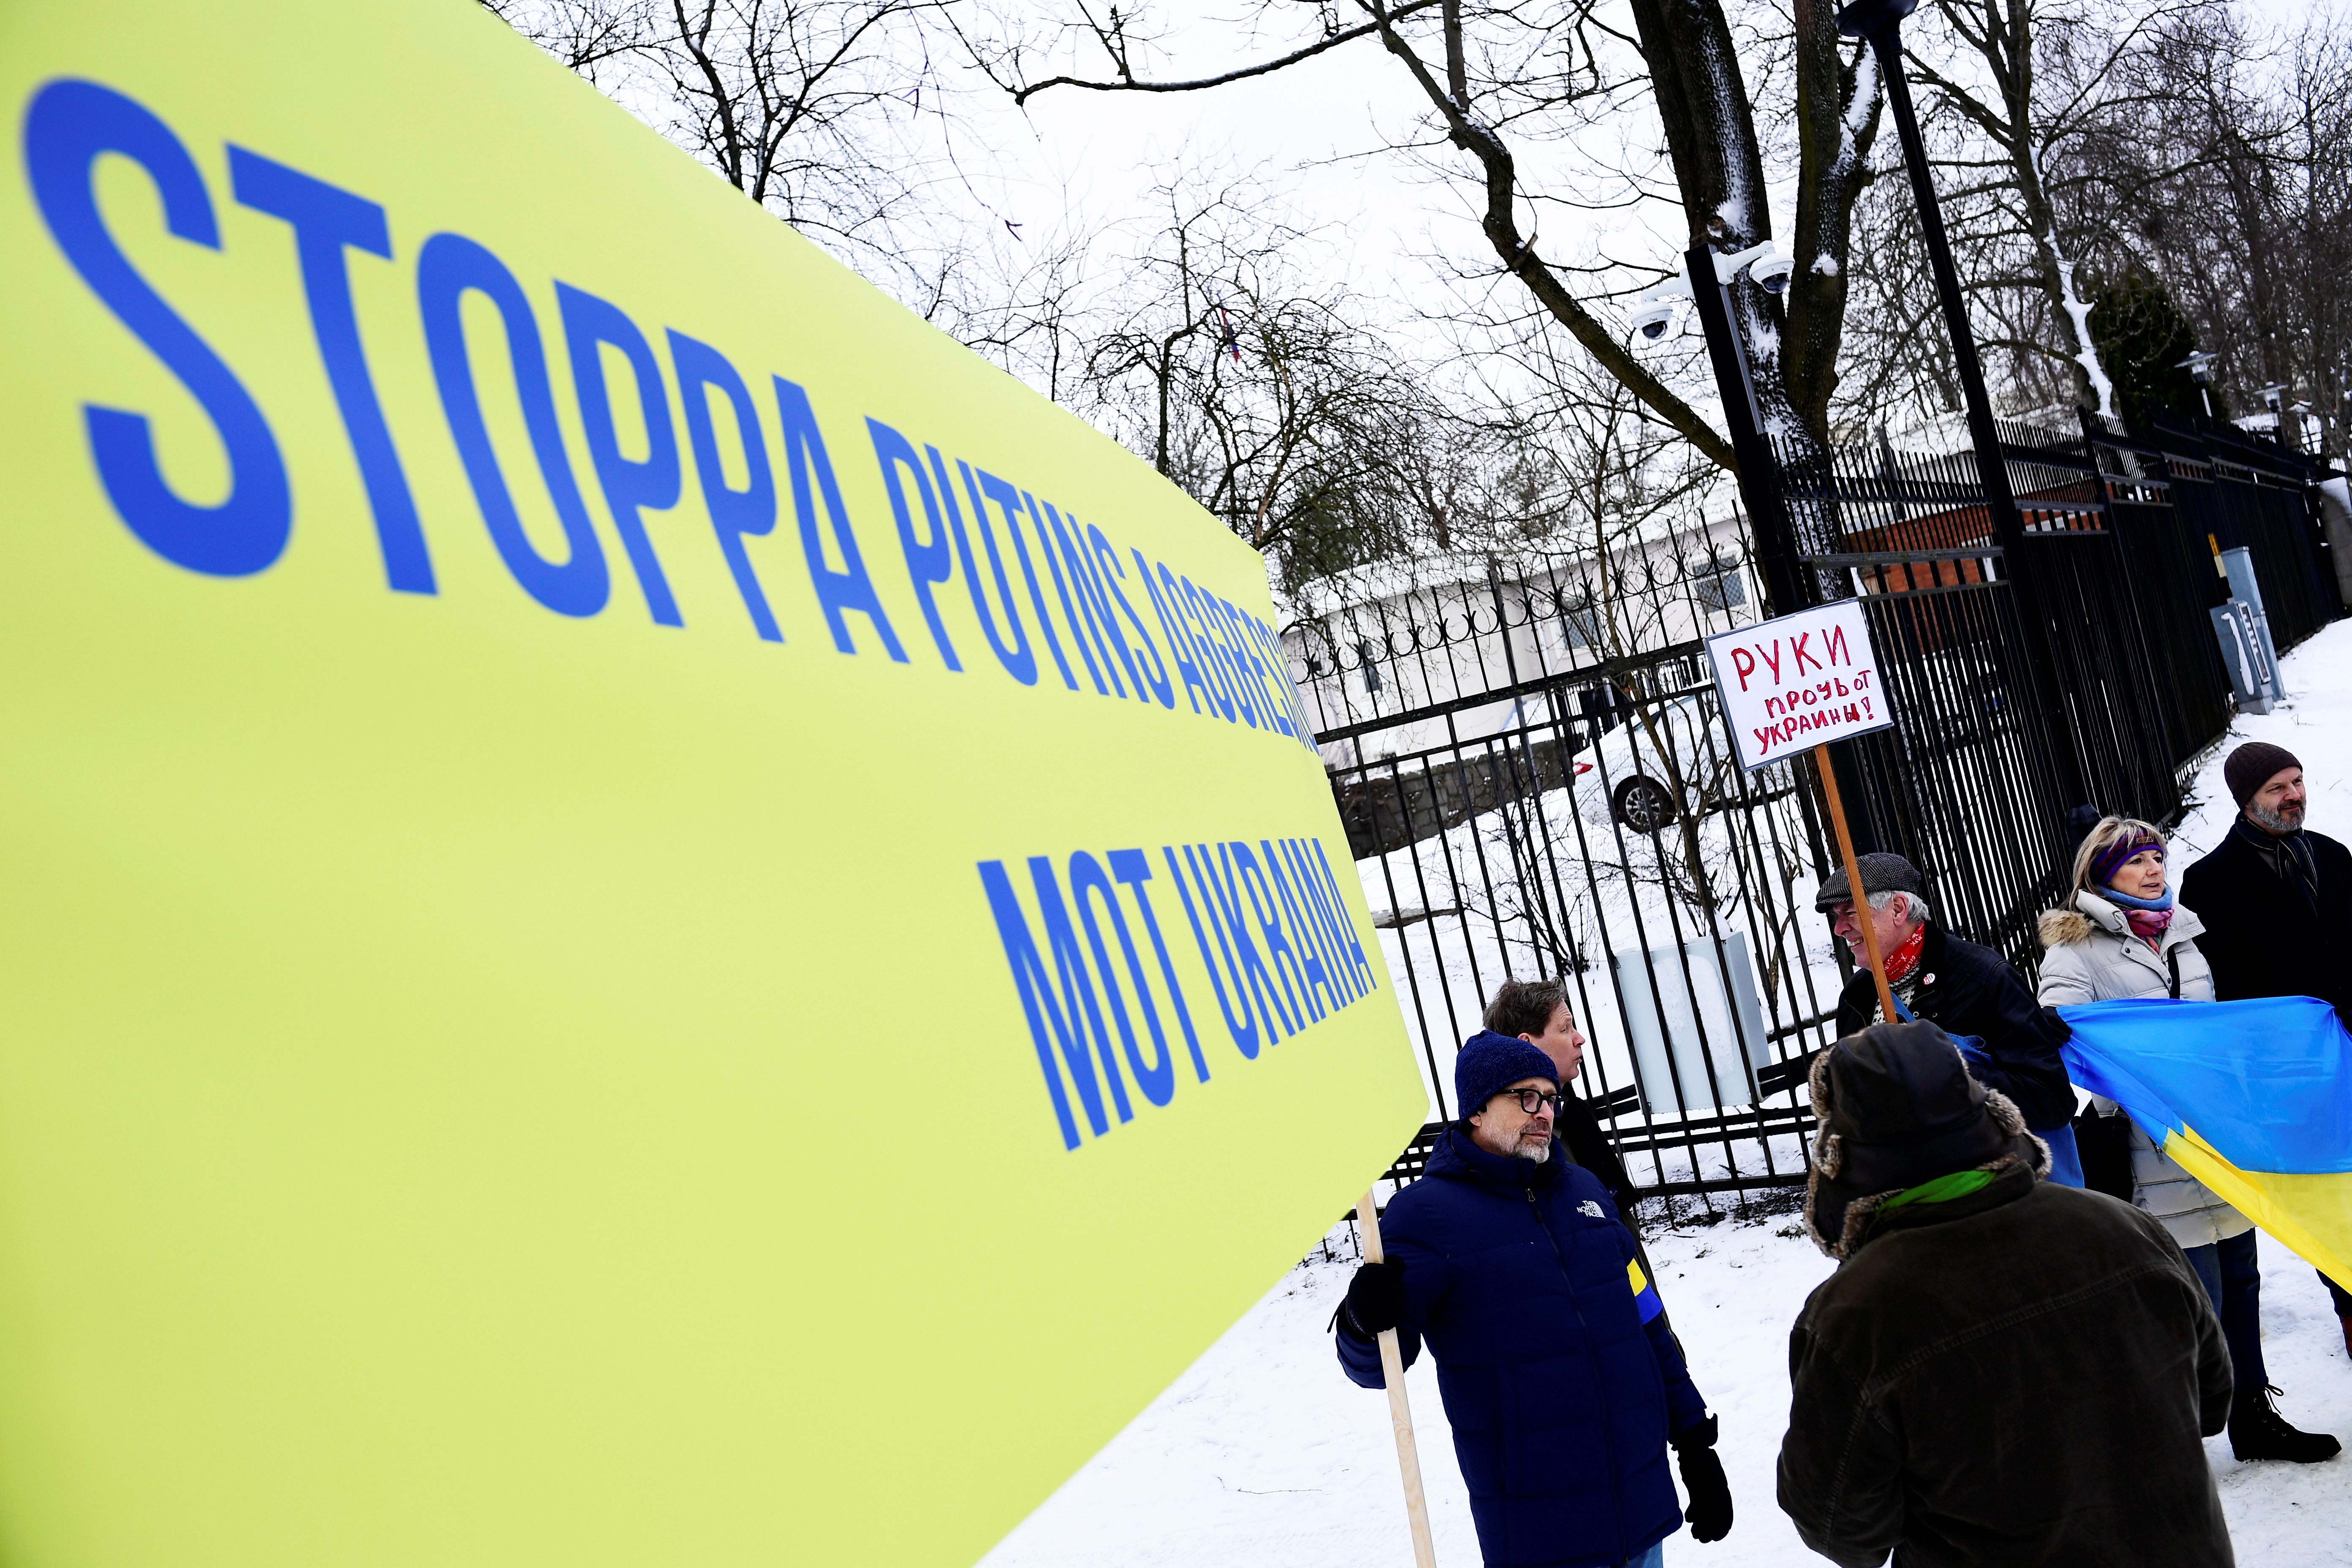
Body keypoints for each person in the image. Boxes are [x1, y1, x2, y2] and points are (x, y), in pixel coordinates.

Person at [1778, 1022, 2234, 1567]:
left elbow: (1843, 1529)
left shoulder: (1852, 1317)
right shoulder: (2126, 1229)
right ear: (1988, 1117)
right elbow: (2209, 1402)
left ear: (1840, 1159)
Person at [1336, 1032, 1732, 1567]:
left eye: (1550, 1097)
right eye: (1526, 1096)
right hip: (1540, 1524)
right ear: (1477, 1109)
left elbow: (1646, 1323)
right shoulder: (1426, 1215)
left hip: (1638, 1502)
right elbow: (1380, 1362)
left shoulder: (1587, 1193)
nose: (1544, 1111)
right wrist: (1363, 1321)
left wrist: (1692, 1439)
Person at [2039, 815, 2339, 1463]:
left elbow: (2211, 1030)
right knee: (2187, 1296)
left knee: (2243, 1276)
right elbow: (2063, 1030)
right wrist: (2065, 1030)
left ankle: (2254, 1415)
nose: (2154, 870)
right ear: (2100, 872)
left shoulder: (2183, 932)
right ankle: (2172, 1430)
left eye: (2157, 857)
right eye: (2135, 861)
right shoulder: (2075, 948)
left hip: (2216, 1136)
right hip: (2150, 1144)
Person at [2180, 741, 2352, 1351]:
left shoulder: (2331, 856)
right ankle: (2350, 1307)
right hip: (2288, 1070)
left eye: (2298, 782)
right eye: (2279, 787)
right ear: (2246, 798)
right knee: (2328, 1196)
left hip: (2349, 1050)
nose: (2295, 795)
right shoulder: (2210, 882)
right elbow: (2220, 986)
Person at [1818, 853, 2079, 1183]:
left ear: (1898, 909)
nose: (1840, 928)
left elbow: (2052, 1100)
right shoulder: (1857, 999)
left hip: (2009, 1199)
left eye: (1850, 912)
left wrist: (1948, 1074)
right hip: (1918, 1201)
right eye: (1836, 916)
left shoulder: (1985, 978)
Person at [1484, 978, 1639, 1219]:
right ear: (1528, 1045)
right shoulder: (1524, 1135)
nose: (1580, 1039)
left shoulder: (1572, 1113)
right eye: (1565, 1029)